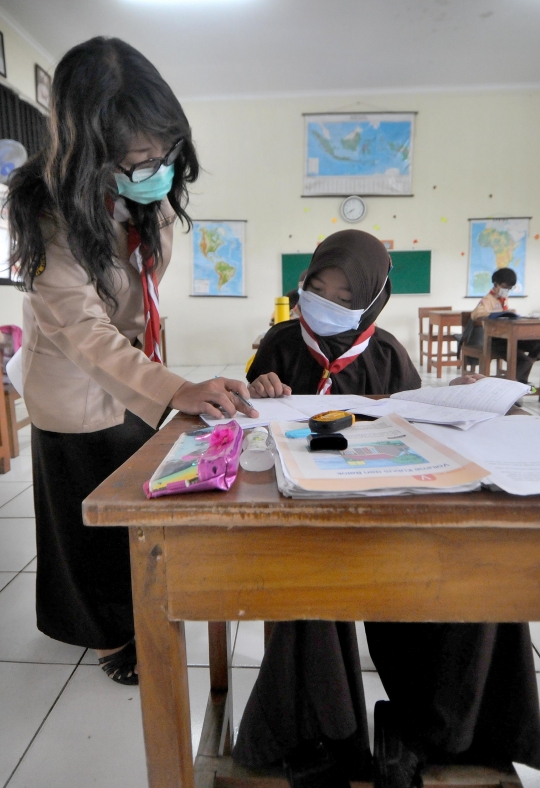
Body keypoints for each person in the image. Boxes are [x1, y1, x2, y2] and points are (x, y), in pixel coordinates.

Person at [233, 231, 540, 788]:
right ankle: (331, 732)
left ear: (373, 299)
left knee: (461, 575)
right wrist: (260, 391)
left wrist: (455, 397)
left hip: (383, 510)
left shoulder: (390, 353)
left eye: (344, 294)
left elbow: (418, 420)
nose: (324, 302)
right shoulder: (278, 344)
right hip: (307, 517)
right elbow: (250, 421)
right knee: (311, 595)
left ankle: (447, 730)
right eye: (315, 286)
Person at [7, 37, 257, 686]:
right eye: (139, 158)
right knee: (85, 519)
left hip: (131, 369)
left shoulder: (148, 197)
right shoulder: (47, 215)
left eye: (165, 151)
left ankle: (137, 603)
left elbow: (133, 304)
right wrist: (176, 389)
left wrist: (169, 383)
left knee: (134, 497)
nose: (157, 167)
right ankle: (106, 633)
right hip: (72, 382)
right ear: (91, 155)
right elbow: (86, 335)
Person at [465, 267, 540, 383]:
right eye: (505, 287)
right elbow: (476, 314)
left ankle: (521, 376)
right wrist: (495, 314)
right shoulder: (488, 299)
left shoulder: (503, 299)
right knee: (523, 361)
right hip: (496, 340)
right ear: (496, 284)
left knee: (536, 344)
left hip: (508, 337)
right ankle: (513, 383)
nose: (507, 290)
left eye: (510, 288)